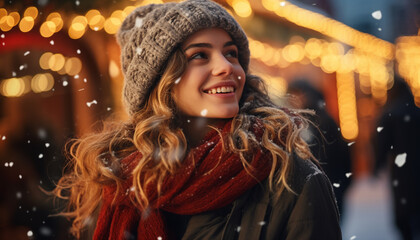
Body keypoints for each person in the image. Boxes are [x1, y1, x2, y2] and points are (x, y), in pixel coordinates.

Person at [53, 0, 341, 239]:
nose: (226, 66)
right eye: (200, 55)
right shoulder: (121, 186)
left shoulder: (290, 180)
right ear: (160, 82)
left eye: (231, 53)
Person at [287, 80, 352, 215]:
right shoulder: (296, 121)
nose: (295, 100)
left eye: (297, 95)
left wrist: (342, 185)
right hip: (312, 190)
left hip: (328, 185)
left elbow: (341, 155)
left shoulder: (322, 122)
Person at [373, 78, 420, 240]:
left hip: (401, 167)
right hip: (417, 165)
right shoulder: (416, 112)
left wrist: (378, 164)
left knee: (403, 204)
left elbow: (382, 142)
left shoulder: (390, 114)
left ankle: (406, 231)